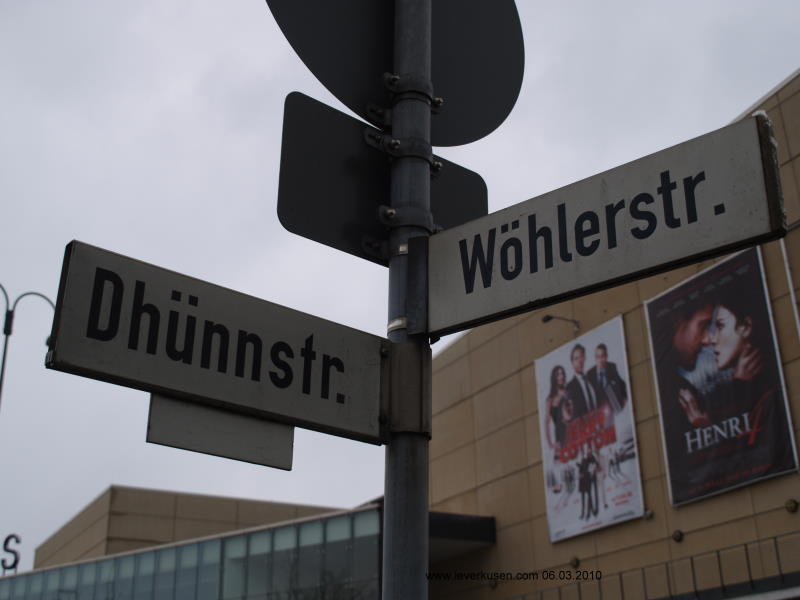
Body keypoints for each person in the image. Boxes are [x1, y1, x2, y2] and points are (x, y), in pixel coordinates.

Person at [587, 343, 628, 413]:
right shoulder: (590, 374)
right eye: (598, 357)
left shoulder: (612, 367)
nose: (600, 360)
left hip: (613, 407)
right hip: (599, 411)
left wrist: (624, 400)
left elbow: (622, 384)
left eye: (602, 356)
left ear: (606, 357)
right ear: (595, 358)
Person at [566, 344, 599, 417]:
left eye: (581, 356)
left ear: (584, 358)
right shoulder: (569, 387)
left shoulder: (592, 377)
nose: (580, 361)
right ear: (572, 362)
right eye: (576, 358)